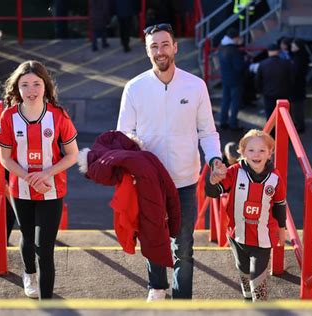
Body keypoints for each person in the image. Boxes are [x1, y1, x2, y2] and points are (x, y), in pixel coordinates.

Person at [116, 23, 226, 300]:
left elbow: (208, 132)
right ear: (147, 50)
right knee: (153, 239)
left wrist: (214, 159)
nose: (160, 51)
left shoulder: (195, 85)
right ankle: (157, 287)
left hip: (185, 179)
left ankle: (182, 300)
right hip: (149, 181)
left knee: (184, 245)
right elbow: (123, 134)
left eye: (165, 44)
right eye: (154, 46)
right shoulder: (134, 88)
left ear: (175, 47)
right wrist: (133, 150)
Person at [0, 60, 79, 300]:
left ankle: (46, 304)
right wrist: (31, 179)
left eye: (36, 84)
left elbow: (72, 155)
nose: (31, 90)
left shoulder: (59, 116)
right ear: (17, 89)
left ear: (45, 86)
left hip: (52, 189)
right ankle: (29, 273)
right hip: (20, 189)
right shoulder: (8, 117)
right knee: (28, 237)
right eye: (25, 85)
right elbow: (5, 159)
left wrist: (46, 173)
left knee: (45, 248)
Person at [205, 129, 286, 301]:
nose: (256, 154)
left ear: (270, 153)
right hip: (237, 235)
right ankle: (248, 296)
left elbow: (279, 204)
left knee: (258, 279)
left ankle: (259, 304)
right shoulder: (234, 172)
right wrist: (212, 181)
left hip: (263, 238)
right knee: (243, 269)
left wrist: (282, 228)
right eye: (251, 150)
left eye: (262, 150)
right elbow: (212, 193)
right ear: (242, 152)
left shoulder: (275, 178)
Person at [218, 27, 246, 131]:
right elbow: (239, 66)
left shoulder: (221, 46)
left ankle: (223, 121)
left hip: (225, 78)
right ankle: (233, 124)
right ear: (235, 37)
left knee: (225, 100)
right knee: (235, 102)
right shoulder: (234, 50)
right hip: (236, 80)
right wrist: (247, 61)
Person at [256, 43, 292, 120]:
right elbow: (292, 78)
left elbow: (258, 80)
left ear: (268, 52)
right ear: (278, 51)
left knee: (270, 116)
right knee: (283, 116)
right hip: (284, 93)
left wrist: (261, 91)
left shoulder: (263, 64)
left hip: (268, 94)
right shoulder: (287, 63)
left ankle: (271, 132)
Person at [290, 38, 309, 133]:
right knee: (297, 106)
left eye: (294, 46)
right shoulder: (300, 56)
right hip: (299, 85)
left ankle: (300, 126)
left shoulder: (299, 58)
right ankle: (298, 124)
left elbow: (296, 72)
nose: (292, 48)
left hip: (297, 86)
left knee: (297, 107)